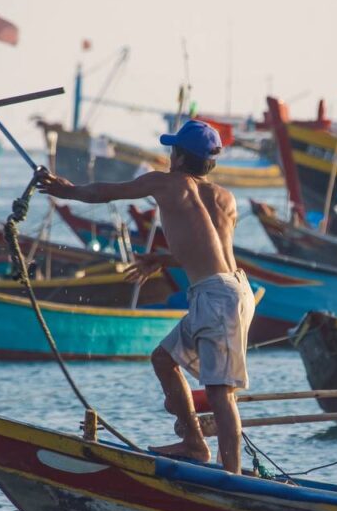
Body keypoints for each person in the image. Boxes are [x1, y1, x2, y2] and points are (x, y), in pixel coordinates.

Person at [35, 120, 254, 473]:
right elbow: (210, 251)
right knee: (163, 360)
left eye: (173, 150)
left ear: (181, 157)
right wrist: (161, 259)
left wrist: (68, 190)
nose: (170, 156)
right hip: (232, 289)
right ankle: (195, 444)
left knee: (220, 393)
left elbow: (106, 192)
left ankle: (235, 479)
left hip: (216, 297)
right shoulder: (225, 199)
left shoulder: (164, 183)